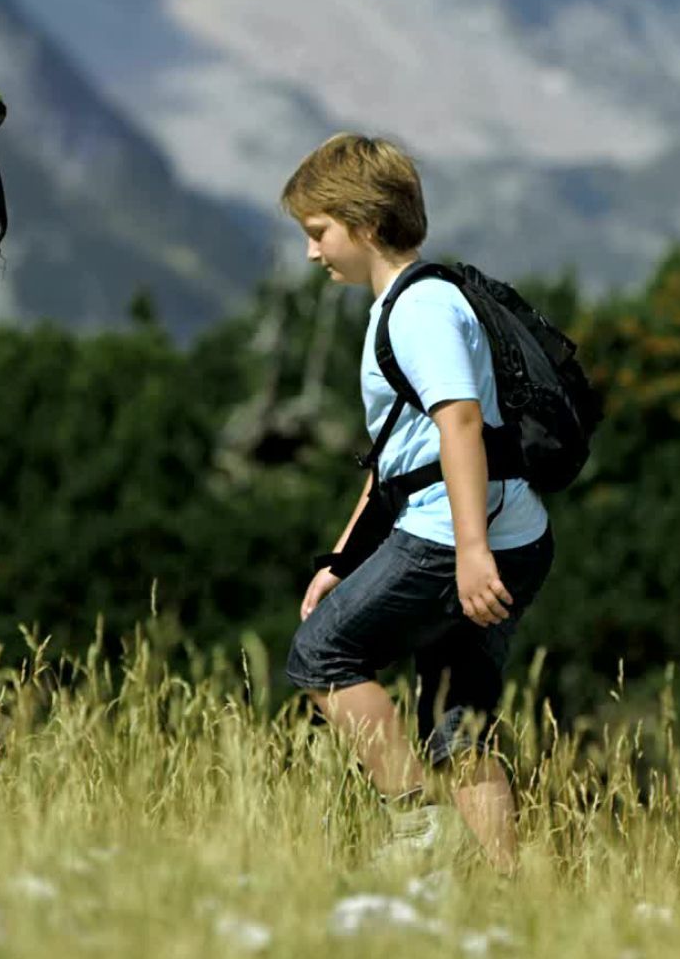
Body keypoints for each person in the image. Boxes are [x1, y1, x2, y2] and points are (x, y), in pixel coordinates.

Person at [280, 133, 556, 872]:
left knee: (322, 656)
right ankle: (505, 888)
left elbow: (458, 423)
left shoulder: (417, 311)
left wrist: (470, 553)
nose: (313, 253)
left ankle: (415, 828)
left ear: (365, 226)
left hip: (456, 537)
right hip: (510, 529)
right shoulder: (420, 299)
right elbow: (397, 459)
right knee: (456, 725)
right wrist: (344, 558)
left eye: (319, 233)